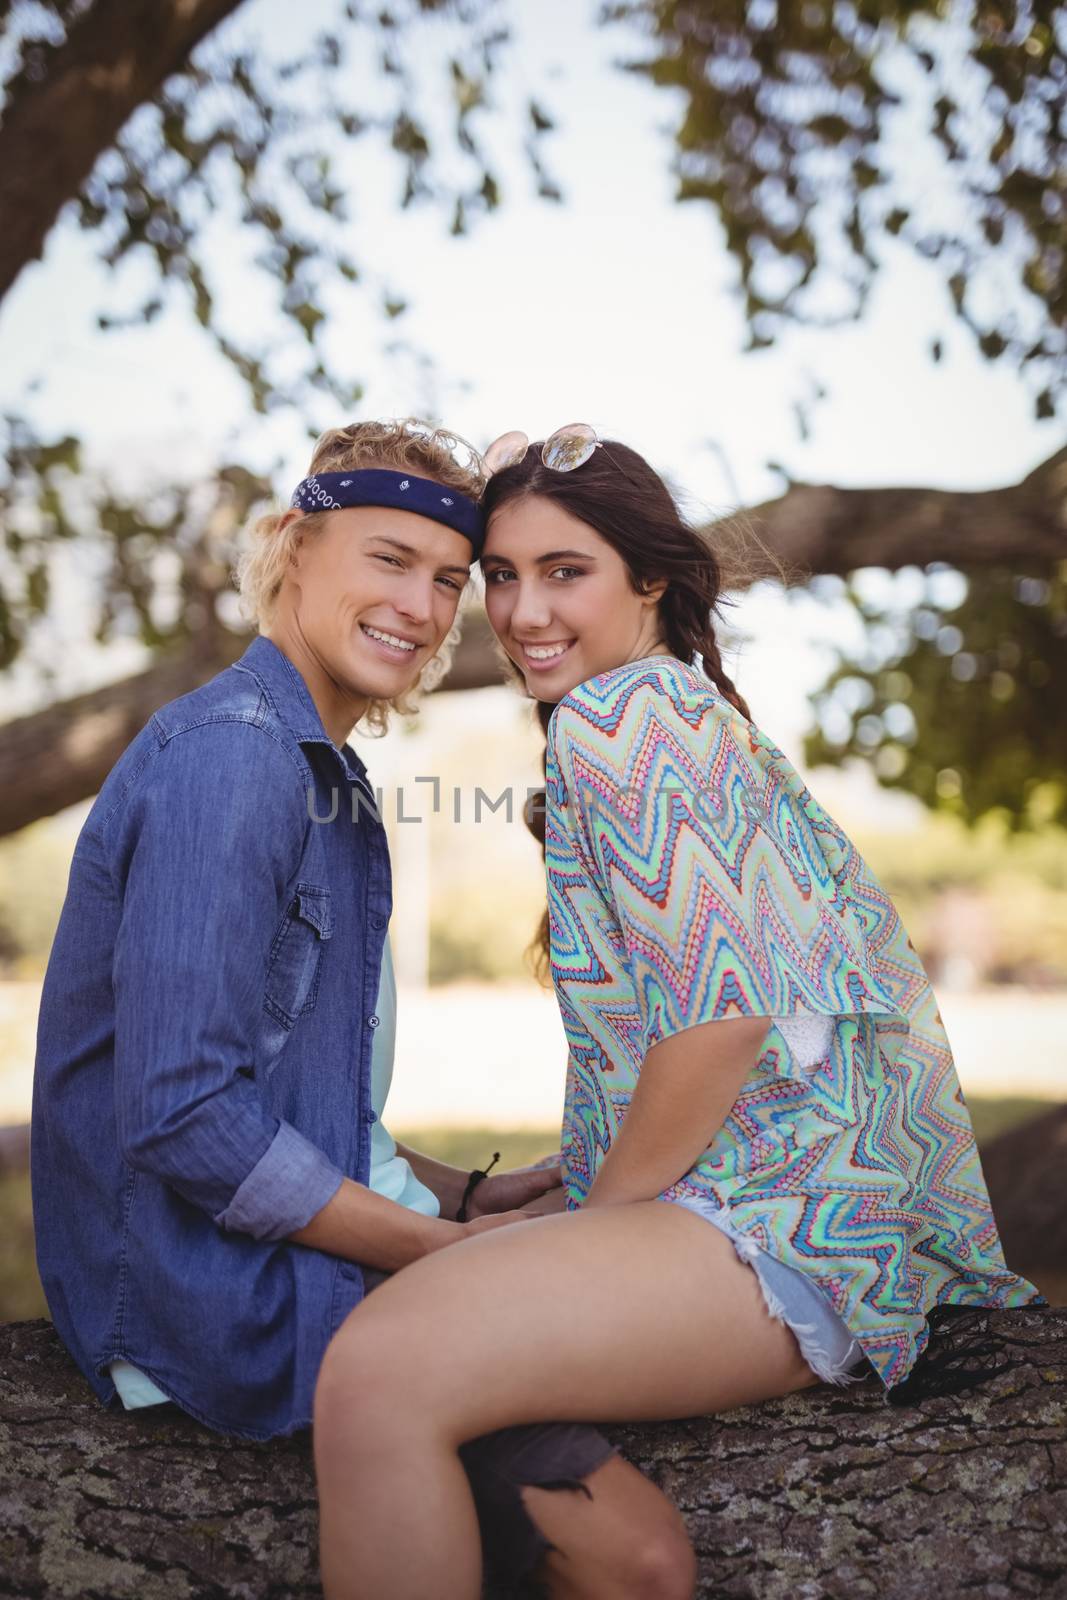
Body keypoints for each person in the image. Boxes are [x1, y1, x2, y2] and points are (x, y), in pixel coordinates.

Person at [310, 425, 1047, 1600]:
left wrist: (591, 1223)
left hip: (778, 1229)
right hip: (820, 1218)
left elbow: (719, 1029)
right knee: (432, 1318)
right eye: (499, 575)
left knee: (374, 1373)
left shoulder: (621, 724)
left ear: (647, 579)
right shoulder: (678, 710)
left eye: (565, 571)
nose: (520, 610)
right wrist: (570, 1181)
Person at [33, 418, 664, 1589]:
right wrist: (439, 1252)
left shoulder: (316, 769)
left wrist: (472, 1191)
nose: (422, 610)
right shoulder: (236, 762)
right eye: (387, 560)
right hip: (203, 1297)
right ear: (292, 550)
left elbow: (284, 1096)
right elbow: (182, 1115)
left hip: (263, 1259)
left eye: (444, 581)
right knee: (626, 1553)